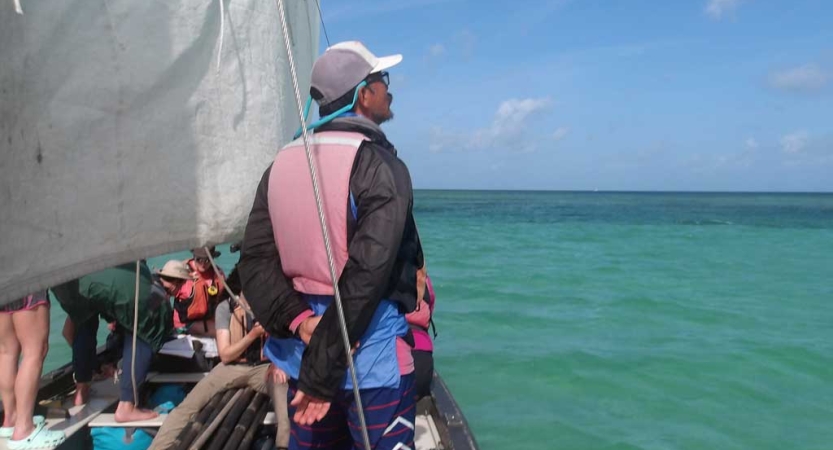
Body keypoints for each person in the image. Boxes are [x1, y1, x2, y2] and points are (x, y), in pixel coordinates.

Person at [239, 41, 423, 450]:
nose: (388, 90)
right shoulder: (380, 167)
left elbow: (254, 262)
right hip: (369, 364)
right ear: (363, 94)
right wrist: (324, 373)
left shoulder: (279, 166)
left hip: (300, 357)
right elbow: (367, 275)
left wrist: (299, 320)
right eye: (381, 81)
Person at [148, 271, 290, 450]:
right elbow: (226, 355)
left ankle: (283, 446)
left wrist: (279, 364)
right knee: (188, 407)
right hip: (232, 367)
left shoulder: (272, 306)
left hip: (264, 368)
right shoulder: (226, 308)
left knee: (285, 407)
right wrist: (253, 335)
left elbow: (286, 341)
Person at [52, 262, 173, 422]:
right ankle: (126, 407)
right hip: (115, 282)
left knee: (84, 322)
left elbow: (68, 333)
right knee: (147, 326)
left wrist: (94, 366)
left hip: (65, 284)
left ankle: (81, 390)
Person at [0, 291, 66, 449]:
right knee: (35, 351)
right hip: (27, 279)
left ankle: (11, 419)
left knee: (6, 351)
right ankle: (24, 429)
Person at [181, 247, 227, 336]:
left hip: (210, 319)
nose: (203, 264)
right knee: (224, 332)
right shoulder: (183, 272)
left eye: (207, 260)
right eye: (199, 260)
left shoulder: (218, 273)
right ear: (193, 257)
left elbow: (225, 297)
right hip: (188, 323)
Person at [406, 267, 436, 399]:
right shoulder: (425, 281)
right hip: (423, 366)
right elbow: (428, 318)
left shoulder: (383, 277)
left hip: (398, 370)